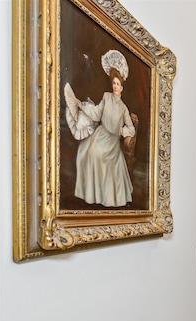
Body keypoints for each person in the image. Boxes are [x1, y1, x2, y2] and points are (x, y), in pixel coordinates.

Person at [64, 49, 136, 207]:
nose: (116, 87)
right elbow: (96, 114)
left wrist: (120, 131)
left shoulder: (124, 108)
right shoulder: (106, 97)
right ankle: (92, 195)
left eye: (118, 84)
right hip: (100, 134)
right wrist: (81, 105)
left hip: (112, 141)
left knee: (99, 156)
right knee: (85, 152)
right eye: (114, 84)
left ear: (122, 88)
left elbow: (131, 129)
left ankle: (105, 198)